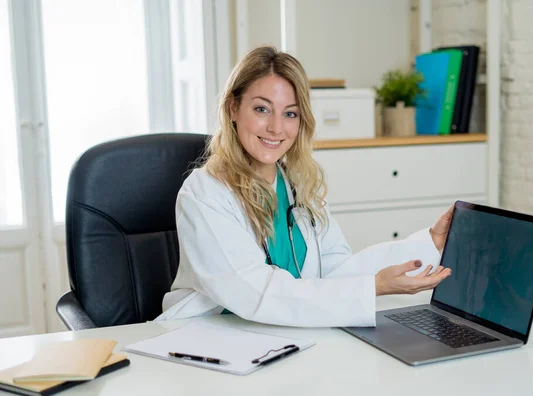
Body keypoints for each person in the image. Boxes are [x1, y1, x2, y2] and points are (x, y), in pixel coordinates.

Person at [156, 46, 452, 327]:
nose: (276, 128)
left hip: (283, 337)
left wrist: (427, 244)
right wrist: (372, 287)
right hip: (210, 341)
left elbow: (337, 272)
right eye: (261, 109)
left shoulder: (298, 186)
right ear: (233, 108)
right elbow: (255, 292)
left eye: (290, 114)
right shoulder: (206, 194)